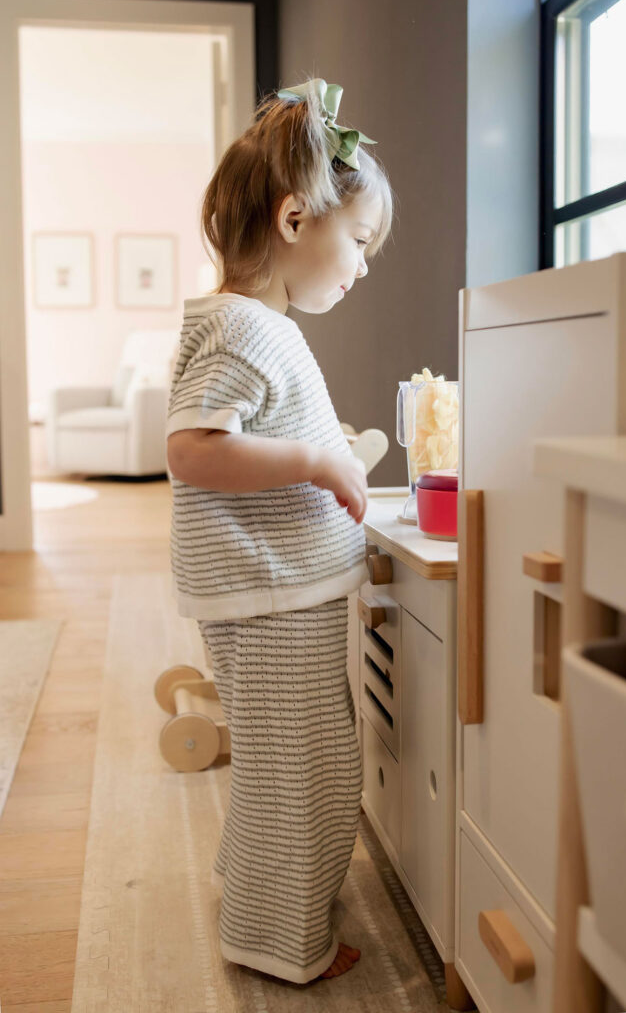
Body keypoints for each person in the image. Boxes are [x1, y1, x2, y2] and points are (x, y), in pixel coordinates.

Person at [166, 77, 393, 986]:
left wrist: (317, 447)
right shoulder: (246, 329)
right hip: (264, 598)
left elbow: (242, 434)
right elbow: (193, 449)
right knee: (306, 776)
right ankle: (277, 941)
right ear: (296, 220)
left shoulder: (257, 326)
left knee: (291, 764)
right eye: (361, 241)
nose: (364, 265)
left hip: (272, 592)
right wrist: (314, 462)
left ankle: (256, 894)